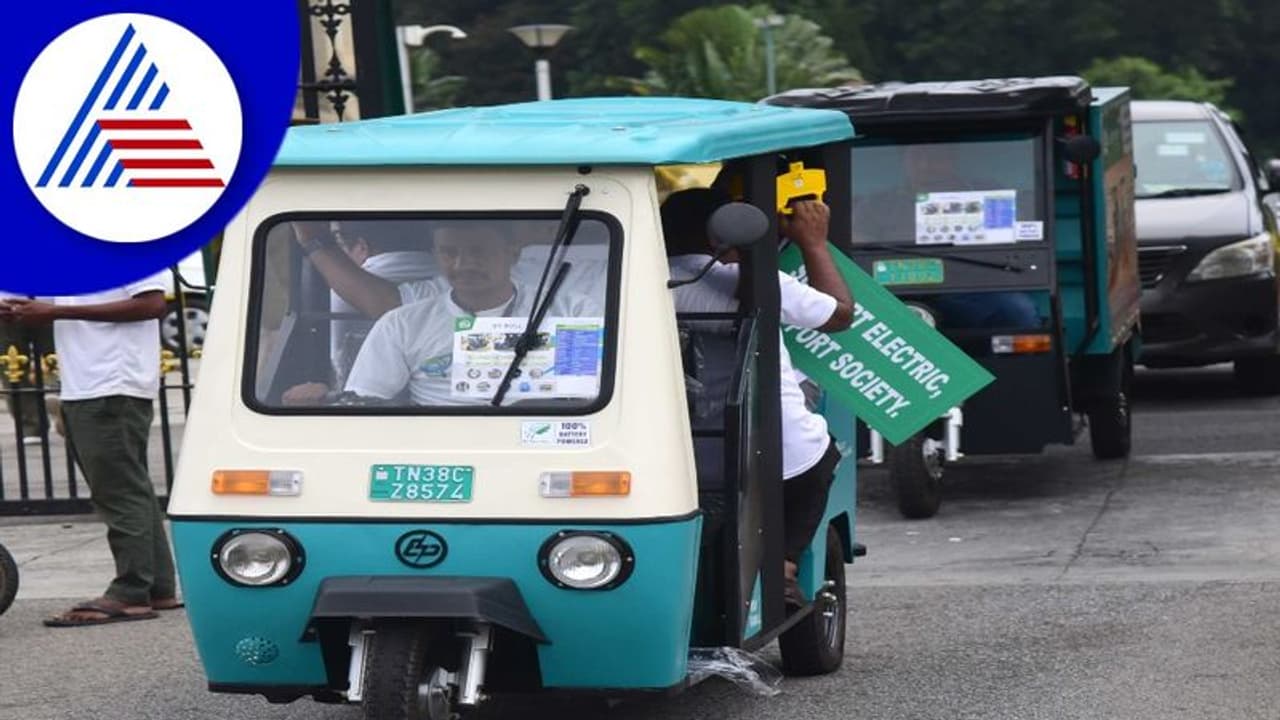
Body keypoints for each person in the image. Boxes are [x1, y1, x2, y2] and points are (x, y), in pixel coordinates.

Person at [662, 187, 853, 605]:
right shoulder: (742, 279)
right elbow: (839, 314)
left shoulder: (632, 282)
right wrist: (813, 244)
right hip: (767, 453)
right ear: (718, 233)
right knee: (821, 451)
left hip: (673, 449)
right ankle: (783, 566)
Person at [0, 273, 180, 626]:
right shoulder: (85, 253)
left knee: (118, 492)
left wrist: (54, 314)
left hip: (110, 384)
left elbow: (151, 304)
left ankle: (130, 591)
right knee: (130, 487)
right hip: (90, 383)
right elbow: (69, 300)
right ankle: (157, 587)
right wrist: (28, 310)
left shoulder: (126, 246)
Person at [288, 223, 596, 406]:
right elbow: (365, 401)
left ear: (512, 253)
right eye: (450, 253)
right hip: (432, 447)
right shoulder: (400, 323)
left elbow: (584, 397)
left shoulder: (574, 311)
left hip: (539, 441)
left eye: (478, 252)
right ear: (436, 256)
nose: (463, 264)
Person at [323, 221, 437, 384]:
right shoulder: (452, 284)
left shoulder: (340, 294)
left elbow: (335, 360)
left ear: (362, 247)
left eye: (342, 247)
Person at [0, 292, 55, 443]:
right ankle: (31, 425)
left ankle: (70, 415)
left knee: (61, 360)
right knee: (13, 369)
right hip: (6, 307)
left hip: (53, 305)